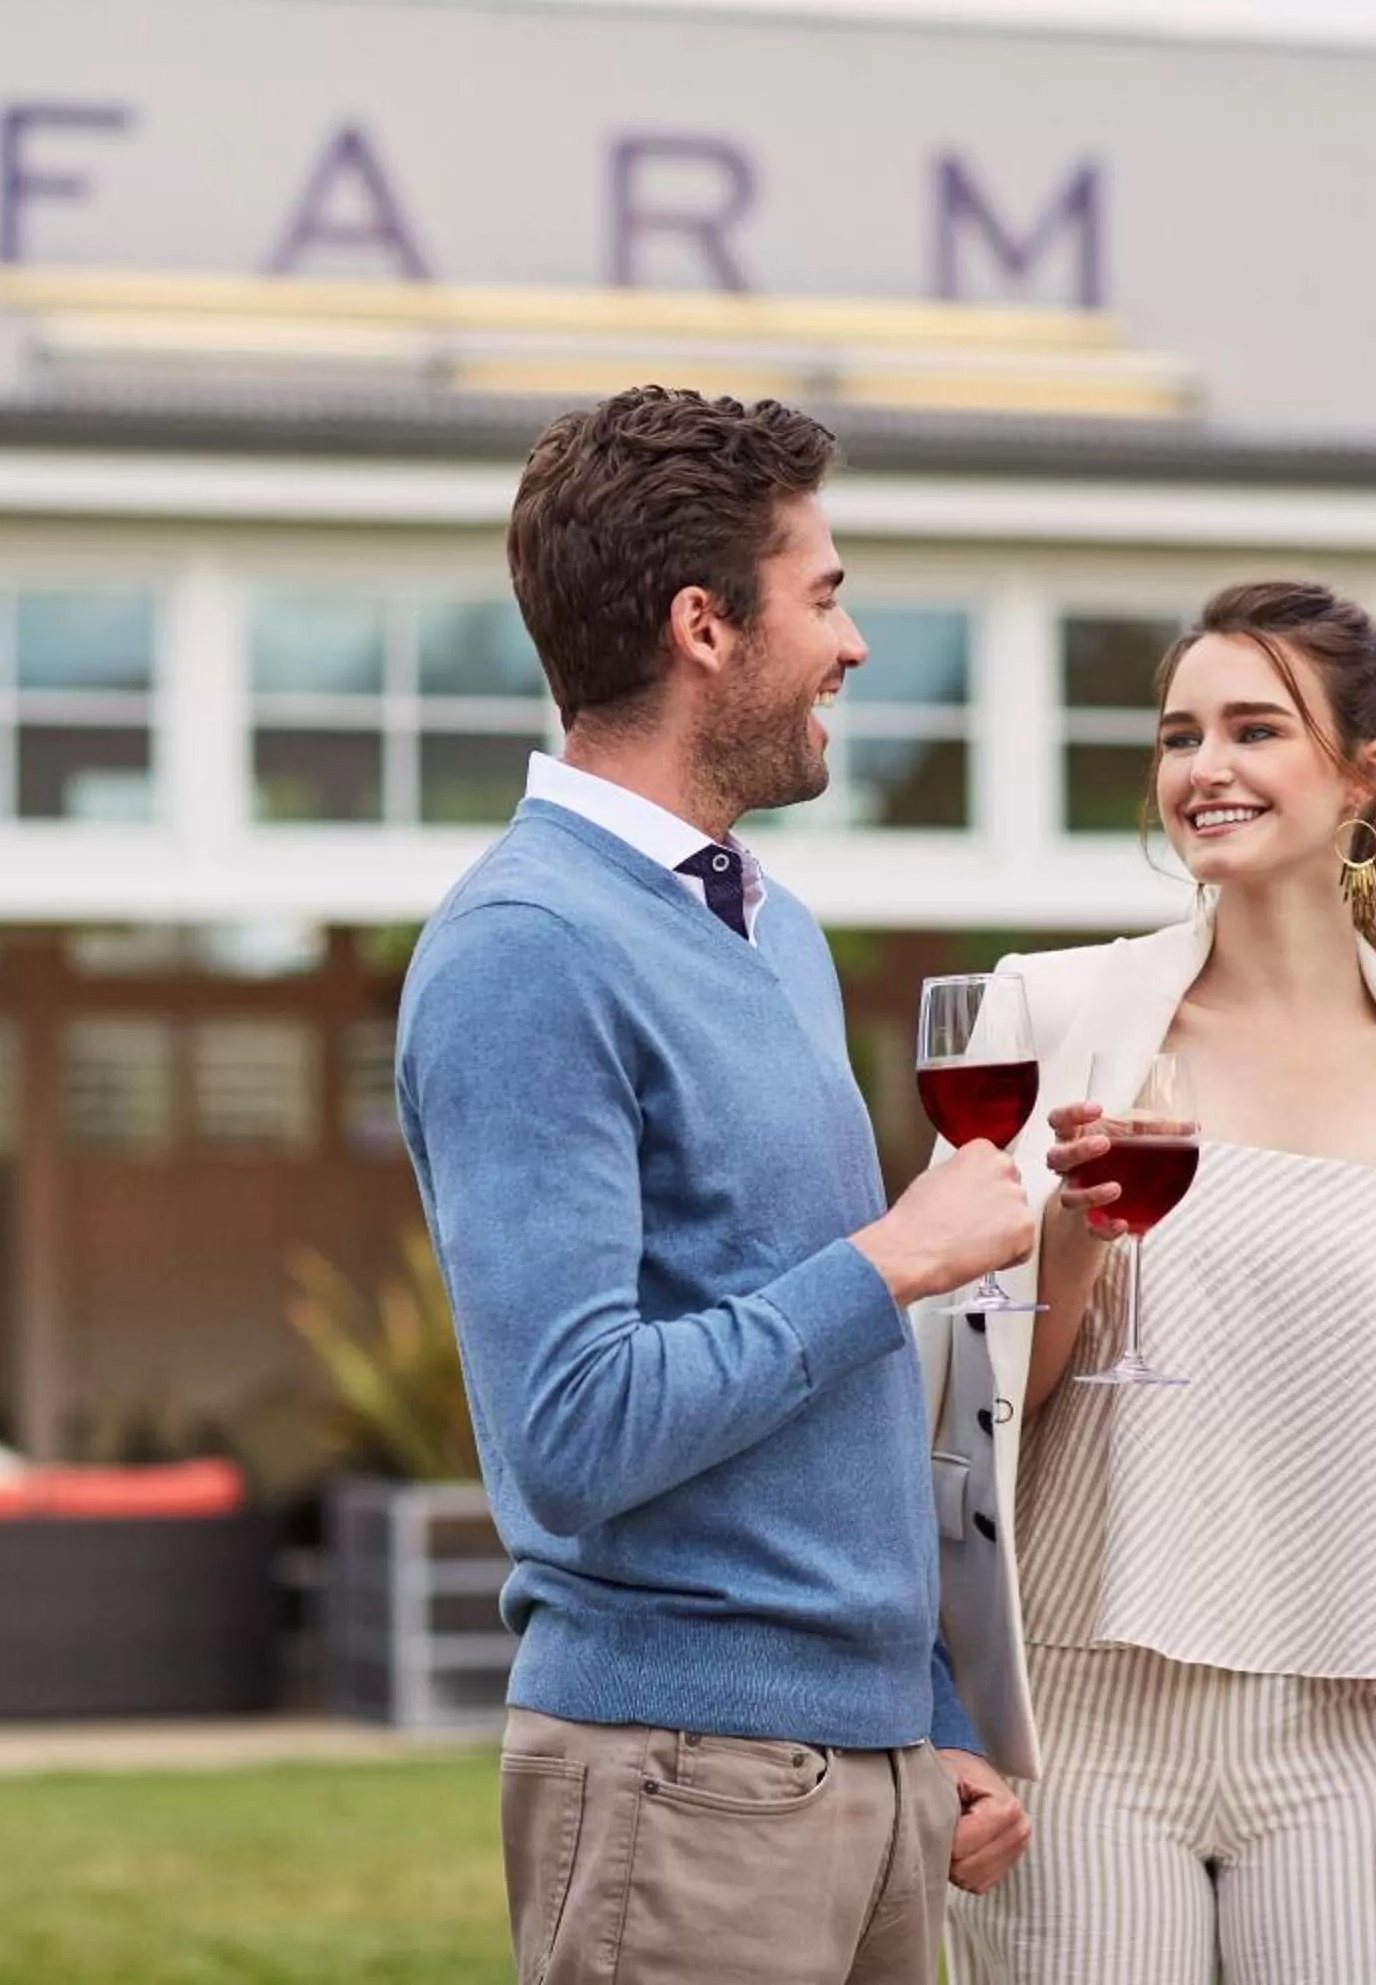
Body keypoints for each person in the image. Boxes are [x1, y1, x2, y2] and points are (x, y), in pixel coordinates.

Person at [397, 386, 1037, 1985]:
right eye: (823, 595)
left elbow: (815, 1410)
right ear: (704, 625)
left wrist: (926, 1715)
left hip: (870, 1779)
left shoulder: (772, 929)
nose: (855, 643)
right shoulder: (527, 951)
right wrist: (889, 1260)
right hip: (680, 1782)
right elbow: (571, 1434)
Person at [921, 581, 1376, 1985]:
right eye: (1181, 736)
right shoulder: (1050, 1016)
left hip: (1351, 1734)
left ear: (1367, 771)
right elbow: (975, 1400)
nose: (1206, 770)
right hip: (1079, 1725)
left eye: (1255, 729)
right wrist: (1076, 1234)